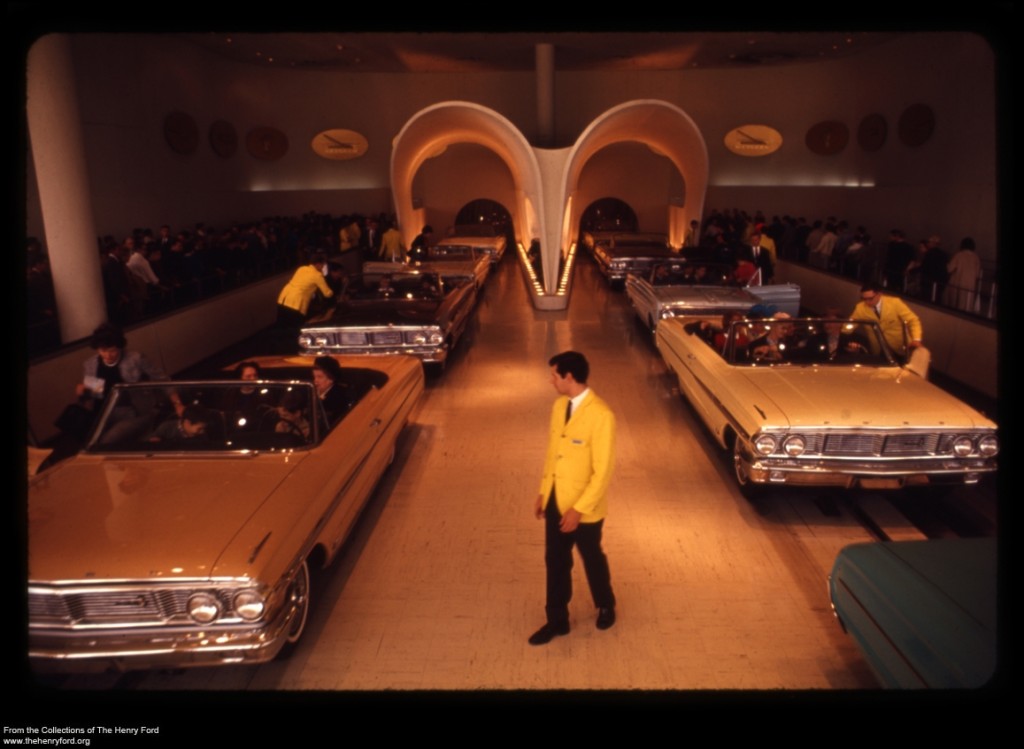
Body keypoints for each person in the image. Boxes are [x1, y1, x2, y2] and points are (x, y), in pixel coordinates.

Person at [529, 351, 617, 645]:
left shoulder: (601, 415)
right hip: (556, 500)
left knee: (592, 557)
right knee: (555, 561)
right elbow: (553, 452)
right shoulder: (558, 407)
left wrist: (578, 509)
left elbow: (602, 471)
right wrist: (544, 491)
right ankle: (557, 620)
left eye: (554, 375)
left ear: (569, 377)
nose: (550, 380)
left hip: (585, 508)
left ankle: (606, 604)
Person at [850, 282, 922, 359]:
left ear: (879, 294)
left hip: (901, 346)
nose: (867, 302)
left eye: (870, 298)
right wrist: (841, 328)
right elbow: (851, 324)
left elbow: (913, 320)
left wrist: (916, 339)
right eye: (864, 299)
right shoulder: (860, 308)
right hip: (879, 349)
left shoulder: (895, 303)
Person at [276, 251, 334, 328]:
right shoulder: (317, 275)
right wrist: (333, 294)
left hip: (283, 298)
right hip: (296, 303)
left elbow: (303, 283)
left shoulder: (301, 268)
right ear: (318, 264)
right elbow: (327, 293)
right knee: (295, 328)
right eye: (323, 264)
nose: (323, 267)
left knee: (282, 327)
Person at [945, 237, 981, 312]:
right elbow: (977, 274)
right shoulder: (976, 257)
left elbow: (949, 269)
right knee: (967, 303)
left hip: (958, 283)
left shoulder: (959, 255)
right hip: (970, 284)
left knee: (956, 303)